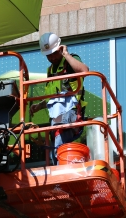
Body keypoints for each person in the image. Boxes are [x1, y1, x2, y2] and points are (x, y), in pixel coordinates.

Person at [30, 32, 89, 164]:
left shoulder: (70, 61)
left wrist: (66, 54)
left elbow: (85, 71)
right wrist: (39, 106)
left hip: (71, 112)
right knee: (55, 151)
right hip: (56, 117)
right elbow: (54, 97)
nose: (52, 57)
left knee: (60, 147)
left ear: (60, 48)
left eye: (54, 53)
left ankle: (62, 173)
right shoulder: (50, 70)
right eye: (48, 55)